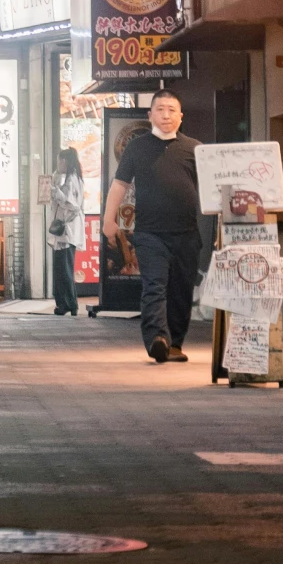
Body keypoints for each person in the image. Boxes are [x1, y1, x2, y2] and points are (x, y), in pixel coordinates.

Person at [103, 90, 200, 363]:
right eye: (160, 109)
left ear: (181, 116)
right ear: (150, 115)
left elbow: (212, 187)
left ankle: (175, 344)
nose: (166, 115)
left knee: (181, 290)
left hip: (187, 233)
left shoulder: (195, 148)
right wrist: (108, 219)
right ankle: (157, 339)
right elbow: (120, 184)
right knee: (154, 286)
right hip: (149, 233)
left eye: (171, 110)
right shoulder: (137, 147)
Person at [47, 147, 85, 316]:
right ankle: (63, 304)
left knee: (65, 269)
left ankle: (70, 304)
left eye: (59, 161)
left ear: (65, 161)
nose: (58, 164)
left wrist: (55, 192)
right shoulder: (65, 177)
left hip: (68, 231)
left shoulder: (73, 179)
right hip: (62, 232)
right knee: (60, 269)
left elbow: (72, 204)